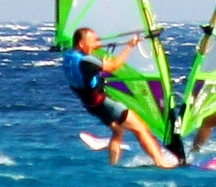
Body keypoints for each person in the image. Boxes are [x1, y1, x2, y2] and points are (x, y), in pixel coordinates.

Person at [64, 25, 179, 169]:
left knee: (118, 130)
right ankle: (161, 162)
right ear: (81, 43)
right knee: (140, 129)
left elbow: (87, 58)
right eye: (92, 41)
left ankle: (113, 165)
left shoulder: (68, 56)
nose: (95, 44)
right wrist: (130, 46)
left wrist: (93, 45)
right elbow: (114, 66)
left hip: (90, 105)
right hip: (103, 103)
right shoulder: (86, 61)